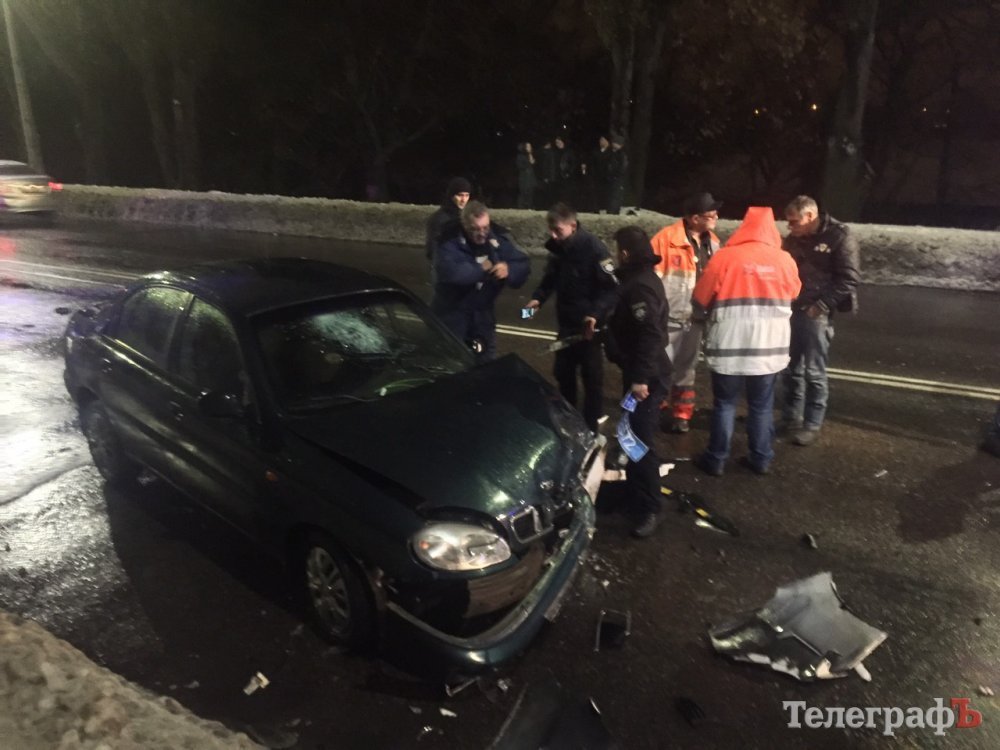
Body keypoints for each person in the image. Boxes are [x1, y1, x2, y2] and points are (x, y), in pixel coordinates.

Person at [691, 207, 802, 476]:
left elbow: (701, 297)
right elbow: (795, 293)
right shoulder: (785, 259)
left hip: (729, 343)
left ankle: (716, 459)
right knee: (761, 406)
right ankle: (761, 458)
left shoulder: (725, 257)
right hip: (769, 347)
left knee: (725, 403)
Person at [524, 203, 619, 430]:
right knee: (563, 374)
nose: (553, 235)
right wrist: (537, 299)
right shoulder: (559, 248)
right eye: (550, 230)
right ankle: (569, 424)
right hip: (566, 326)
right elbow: (550, 279)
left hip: (589, 331)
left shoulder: (594, 249)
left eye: (557, 230)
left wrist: (594, 314)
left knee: (592, 380)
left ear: (573, 226)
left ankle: (591, 429)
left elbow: (611, 289)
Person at [605, 226, 672, 538]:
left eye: (617, 249)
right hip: (637, 373)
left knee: (640, 440)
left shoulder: (640, 286)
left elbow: (649, 334)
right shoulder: (637, 280)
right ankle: (634, 495)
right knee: (628, 433)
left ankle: (650, 508)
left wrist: (641, 379)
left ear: (625, 253)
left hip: (646, 379)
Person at [781, 195, 862, 446]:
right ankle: (790, 417)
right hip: (792, 308)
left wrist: (822, 306)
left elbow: (849, 278)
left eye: (794, 221)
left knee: (814, 372)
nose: (790, 226)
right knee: (790, 368)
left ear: (810, 216)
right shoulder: (795, 238)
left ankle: (812, 424)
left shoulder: (839, 236)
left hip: (816, 313)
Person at [650, 192, 722, 433]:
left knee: (686, 370)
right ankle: (655, 408)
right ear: (694, 218)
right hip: (668, 318)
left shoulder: (713, 242)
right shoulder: (666, 239)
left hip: (695, 319)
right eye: (710, 215)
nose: (716, 217)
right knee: (660, 367)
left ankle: (681, 414)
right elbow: (652, 281)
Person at [431, 201, 530, 363]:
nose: (482, 233)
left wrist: (509, 269)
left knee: (486, 364)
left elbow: (522, 263)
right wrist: (482, 269)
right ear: (465, 225)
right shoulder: (448, 241)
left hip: (482, 319)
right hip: (452, 318)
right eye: (475, 229)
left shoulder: (496, 239)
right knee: (453, 364)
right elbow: (452, 272)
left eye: (485, 228)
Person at [425, 177, 472, 262]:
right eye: (460, 195)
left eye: (467, 195)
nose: (464, 200)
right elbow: (432, 250)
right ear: (451, 196)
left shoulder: (467, 217)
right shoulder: (439, 219)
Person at [606, 134, 628, 214]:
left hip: (618, 178)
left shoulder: (622, 154)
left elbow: (623, 167)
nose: (614, 144)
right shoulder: (611, 153)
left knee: (616, 195)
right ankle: (610, 210)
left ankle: (613, 211)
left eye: (616, 143)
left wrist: (616, 174)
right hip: (611, 177)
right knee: (611, 195)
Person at [516, 143, 536, 209]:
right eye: (528, 146)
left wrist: (530, 155)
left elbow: (533, 164)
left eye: (530, 146)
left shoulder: (531, 154)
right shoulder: (520, 156)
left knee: (531, 192)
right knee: (523, 192)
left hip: (531, 177)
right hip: (524, 177)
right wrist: (527, 166)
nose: (530, 147)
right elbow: (519, 166)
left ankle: (529, 207)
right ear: (524, 147)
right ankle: (521, 207)